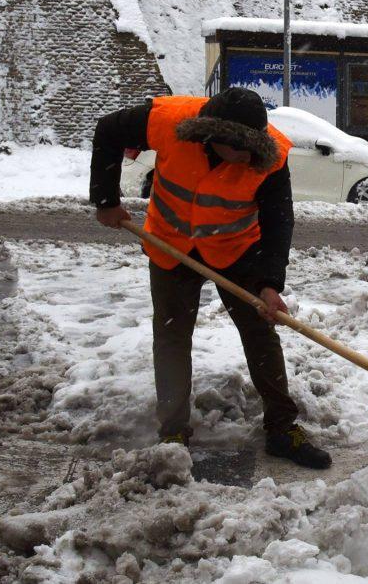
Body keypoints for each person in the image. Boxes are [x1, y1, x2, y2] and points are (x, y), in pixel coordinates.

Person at [89, 87, 331, 469]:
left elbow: (278, 222)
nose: (247, 157)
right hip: (171, 245)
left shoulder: (270, 158)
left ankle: (283, 429)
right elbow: (107, 131)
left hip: (236, 250)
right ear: (214, 136)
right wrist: (105, 199)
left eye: (254, 148)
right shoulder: (167, 122)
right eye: (239, 149)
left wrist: (270, 284)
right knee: (171, 335)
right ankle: (173, 432)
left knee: (260, 331)